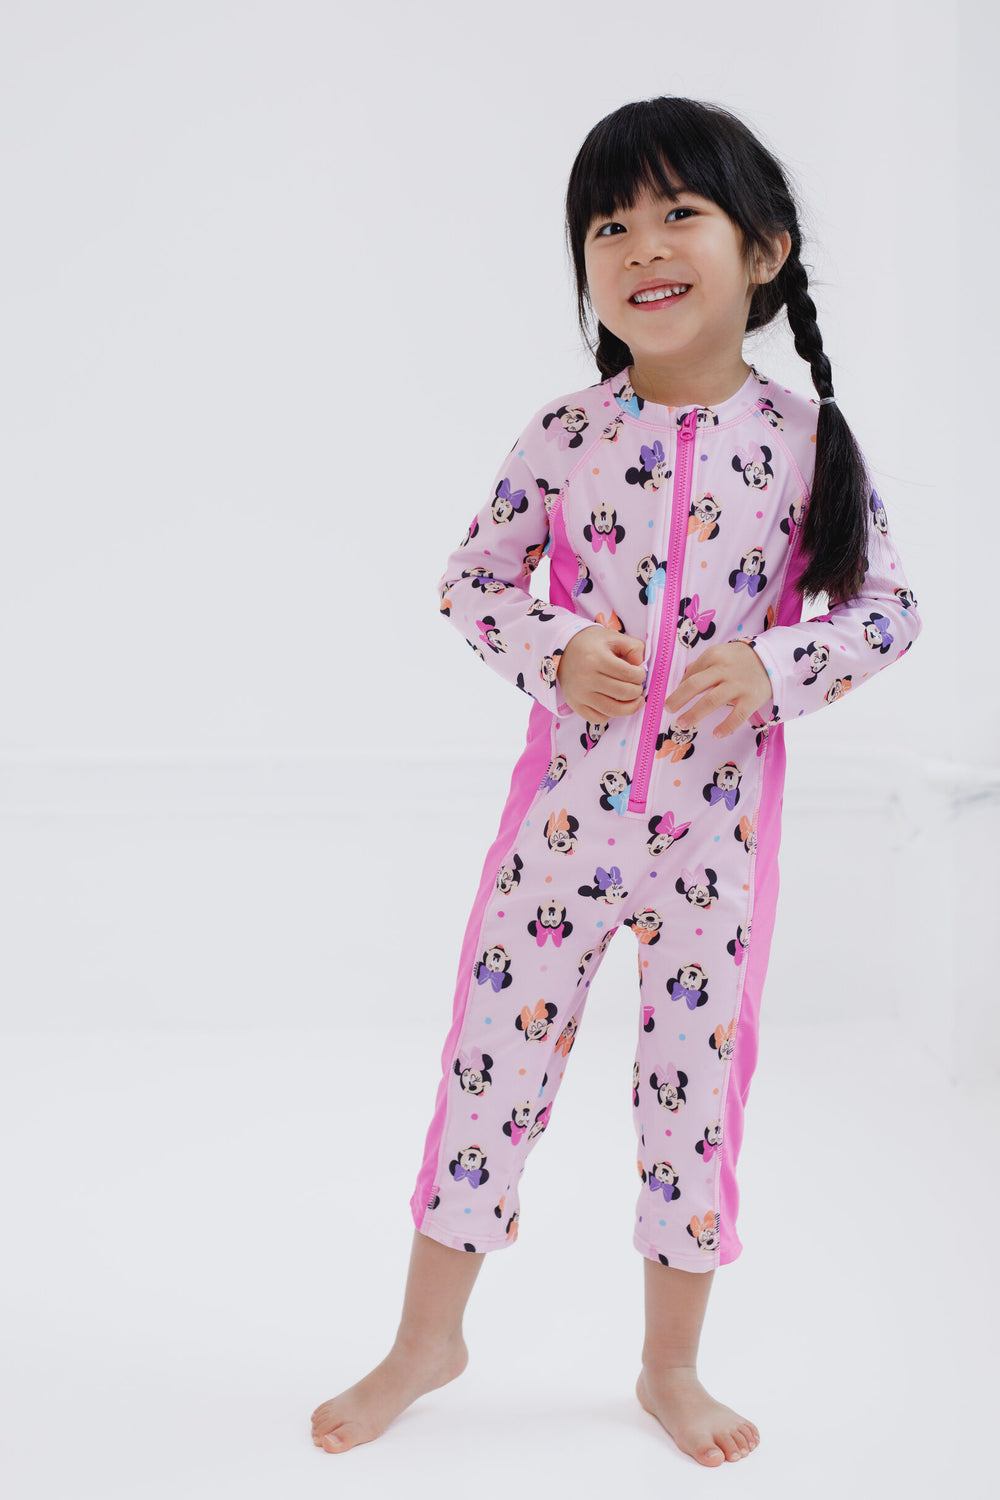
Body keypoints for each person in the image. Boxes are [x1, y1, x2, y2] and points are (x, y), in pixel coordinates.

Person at [310, 95, 922, 1465]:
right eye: (608, 223)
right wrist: (556, 649)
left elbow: (888, 612)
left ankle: (669, 1367)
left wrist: (775, 666)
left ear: (764, 251)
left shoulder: (808, 444)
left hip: (715, 848)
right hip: (561, 833)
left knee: (692, 1101)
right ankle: (427, 1341)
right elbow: (472, 580)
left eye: (677, 213)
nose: (641, 244)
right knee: (488, 1073)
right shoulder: (565, 435)